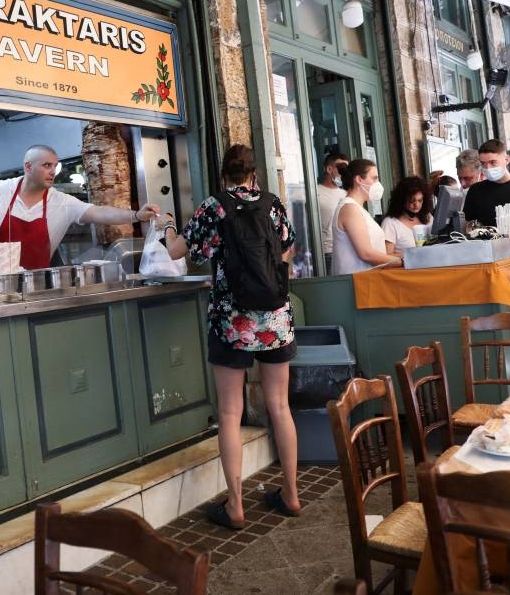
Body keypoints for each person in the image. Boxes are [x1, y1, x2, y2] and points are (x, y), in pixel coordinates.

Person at [161, 144, 302, 529]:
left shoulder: (214, 206)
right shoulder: (273, 204)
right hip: (274, 318)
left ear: (224, 175)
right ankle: (290, 493)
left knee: (229, 412)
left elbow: (177, 252)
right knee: (280, 406)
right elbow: (288, 249)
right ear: (254, 174)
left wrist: (168, 226)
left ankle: (236, 505)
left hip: (231, 319)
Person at [0, 145, 161, 270]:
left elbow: (99, 212)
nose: (52, 172)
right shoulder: (1, 191)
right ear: (28, 167)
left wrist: (136, 215)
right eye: (47, 165)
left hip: (38, 287)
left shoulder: (61, 202)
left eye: (55, 166)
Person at [331, 159, 403, 274]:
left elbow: (376, 251)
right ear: (359, 179)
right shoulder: (350, 208)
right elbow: (366, 253)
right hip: (355, 284)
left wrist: (406, 255)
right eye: (374, 178)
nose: (377, 183)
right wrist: (403, 261)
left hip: (366, 281)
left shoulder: (358, 208)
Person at [381, 176, 434, 254]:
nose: (417, 205)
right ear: (402, 200)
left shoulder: (428, 217)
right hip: (405, 265)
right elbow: (387, 256)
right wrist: (409, 256)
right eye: (412, 201)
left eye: (420, 200)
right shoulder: (390, 223)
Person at [317, 151, 349, 275]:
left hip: (346, 250)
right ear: (329, 169)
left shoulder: (347, 194)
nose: (344, 173)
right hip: (327, 251)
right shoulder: (315, 193)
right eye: (342, 168)